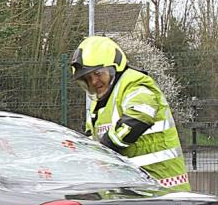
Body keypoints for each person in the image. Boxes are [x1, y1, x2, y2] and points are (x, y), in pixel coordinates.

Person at [70, 35, 190, 191]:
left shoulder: (135, 83)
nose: (94, 82)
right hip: (134, 191)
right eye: (87, 78)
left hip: (163, 190)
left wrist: (104, 149)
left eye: (98, 74)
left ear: (115, 66)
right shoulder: (98, 105)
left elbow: (139, 117)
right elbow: (91, 143)